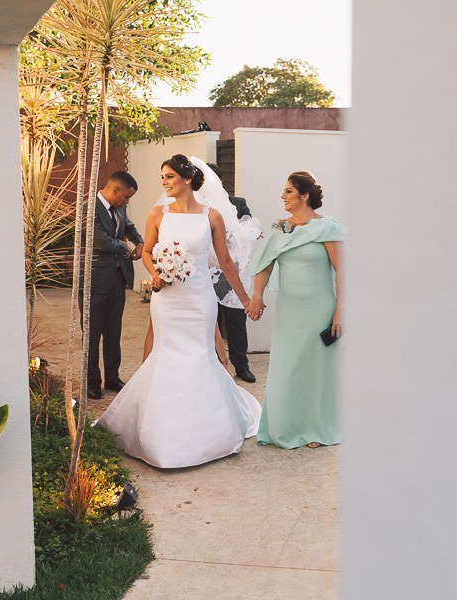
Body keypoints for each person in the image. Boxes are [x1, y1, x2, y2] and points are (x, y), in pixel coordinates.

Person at [97, 155, 261, 468]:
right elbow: (147, 252)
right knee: (165, 354)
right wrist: (156, 273)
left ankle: (206, 432)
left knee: (200, 355)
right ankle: (158, 433)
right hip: (167, 300)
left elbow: (225, 262)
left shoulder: (211, 216)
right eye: (162, 177)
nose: (164, 183)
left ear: (187, 179)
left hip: (199, 299)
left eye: (169, 176)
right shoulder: (157, 214)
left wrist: (244, 298)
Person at [245, 171, 345, 449]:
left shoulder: (328, 228)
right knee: (288, 368)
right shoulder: (280, 228)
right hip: (290, 311)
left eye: (288, 191)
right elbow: (265, 264)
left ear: (305, 195)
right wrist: (257, 296)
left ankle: (316, 428)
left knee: (315, 370)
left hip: (319, 308)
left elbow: (343, 271)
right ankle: (285, 426)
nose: (282, 196)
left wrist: (341, 311)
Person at [83, 171, 144, 400]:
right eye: (126, 197)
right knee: (91, 333)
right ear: (115, 190)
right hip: (94, 280)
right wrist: (125, 247)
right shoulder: (88, 208)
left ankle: (112, 376)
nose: (127, 202)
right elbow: (99, 240)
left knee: (113, 331)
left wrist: (139, 241)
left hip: (118, 278)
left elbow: (128, 226)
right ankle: (92, 381)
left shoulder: (119, 206)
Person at [206, 162, 258, 383]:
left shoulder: (237, 204)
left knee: (236, 321)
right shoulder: (194, 207)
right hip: (203, 272)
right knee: (209, 321)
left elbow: (250, 228)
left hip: (230, 272)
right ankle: (214, 365)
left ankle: (241, 365)